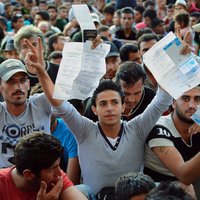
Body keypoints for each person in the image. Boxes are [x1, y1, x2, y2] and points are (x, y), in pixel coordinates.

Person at [23, 36, 173, 196]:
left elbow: (163, 98)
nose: (109, 108)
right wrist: (41, 71)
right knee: (81, 190)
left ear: (123, 106)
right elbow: (61, 106)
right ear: (94, 109)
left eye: (114, 102)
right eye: (103, 104)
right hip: (93, 197)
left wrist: (176, 54)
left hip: (133, 196)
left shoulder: (137, 128)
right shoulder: (84, 131)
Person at [144, 86, 200, 198]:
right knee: (185, 187)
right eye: (185, 98)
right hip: (157, 189)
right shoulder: (159, 128)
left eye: (197, 99)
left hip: (189, 182)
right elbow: (184, 176)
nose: (192, 105)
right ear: (174, 103)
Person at [0, 131, 87, 200]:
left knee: (84, 190)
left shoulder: (55, 177)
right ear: (29, 174)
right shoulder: (2, 186)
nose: (60, 174)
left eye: (58, 166)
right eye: (51, 169)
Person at [84, 62, 155, 122]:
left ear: (143, 85)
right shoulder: (98, 102)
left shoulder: (151, 98)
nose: (131, 99)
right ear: (116, 86)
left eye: (137, 93)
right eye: (126, 93)